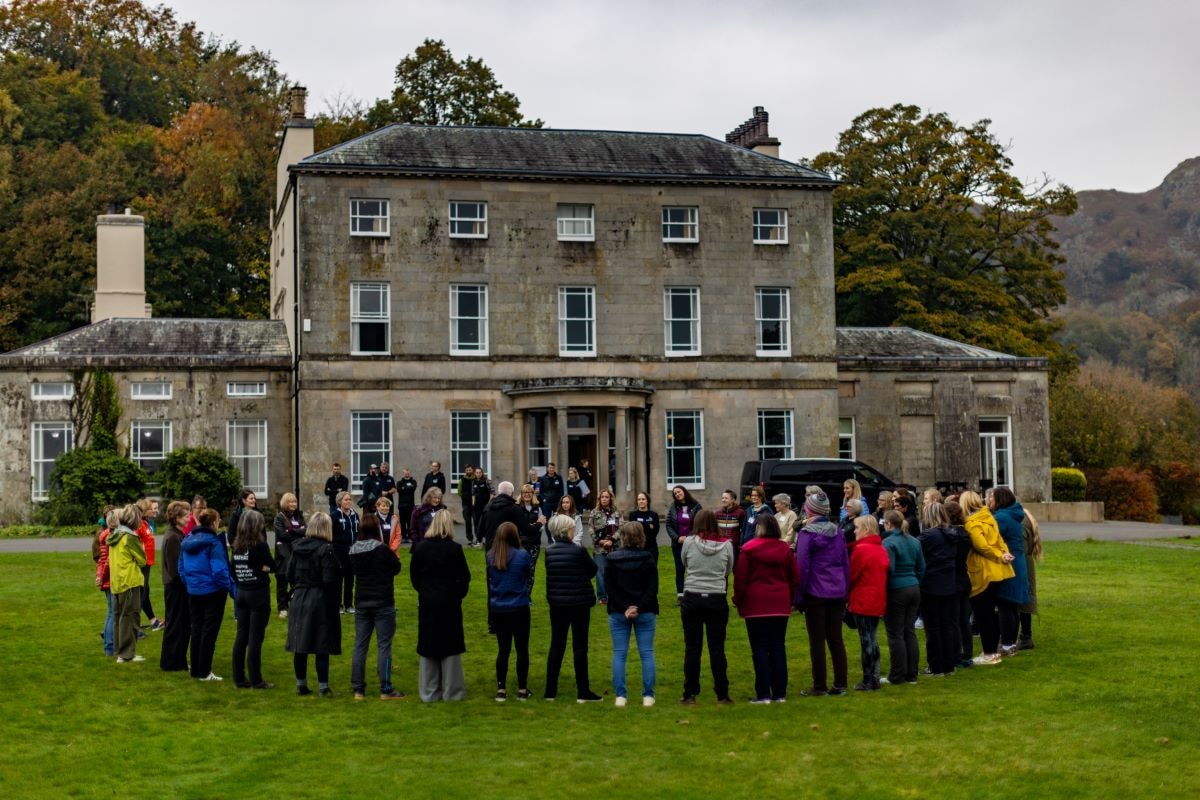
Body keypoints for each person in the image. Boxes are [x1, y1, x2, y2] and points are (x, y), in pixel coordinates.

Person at [733, 514, 797, 703]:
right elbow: (794, 577)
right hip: (779, 602)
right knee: (778, 646)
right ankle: (779, 692)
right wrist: (790, 598)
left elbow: (741, 579)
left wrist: (738, 600)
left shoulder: (749, 550)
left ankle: (763, 693)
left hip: (756, 604)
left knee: (759, 648)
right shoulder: (784, 550)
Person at [410, 509, 470, 702]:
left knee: (429, 644)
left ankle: (429, 691)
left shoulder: (420, 548)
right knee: (450, 646)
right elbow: (464, 577)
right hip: (449, 602)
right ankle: (452, 692)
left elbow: (414, 577)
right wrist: (457, 594)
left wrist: (424, 591)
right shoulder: (454, 549)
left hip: (429, 602)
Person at [794, 491, 850, 697]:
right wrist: (846, 591)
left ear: (809, 510)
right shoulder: (838, 532)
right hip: (836, 591)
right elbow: (845, 563)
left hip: (815, 592)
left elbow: (802, 566)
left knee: (817, 640)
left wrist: (799, 596)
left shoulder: (807, 534)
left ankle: (820, 685)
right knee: (835, 638)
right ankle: (840, 683)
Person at [542, 514, 601, 702]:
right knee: (580, 646)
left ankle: (550, 690)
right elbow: (593, 570)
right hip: (579, 603)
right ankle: (583, 690)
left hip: (558, 603)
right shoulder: (578, 551)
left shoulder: (549, 551)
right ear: (566, 530)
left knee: (556, 645)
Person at [680, 509, 734, 705]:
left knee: (692, 648)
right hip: (716, 597)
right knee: (717, 648)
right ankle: (722, 693)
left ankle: (689, 693)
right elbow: (728, 570)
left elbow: (684, 562)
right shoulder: (727, 545)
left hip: (693, 595)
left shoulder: (689, 542)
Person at [349, 508, 404, 700]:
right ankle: (385, 688)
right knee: (384, 645)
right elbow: (396, 568)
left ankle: (358, 689)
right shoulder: (381, 550)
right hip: (382, 601)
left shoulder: (354, 549)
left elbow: (352, 570)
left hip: (362, 600)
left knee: (360, 645)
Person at [286, 511, 342, 696]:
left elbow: (289, 574)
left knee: (300, 643)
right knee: (321, 643)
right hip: (319, 597)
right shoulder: (326, 550)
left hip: (300, 595)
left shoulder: (297, 547)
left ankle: (300, 684)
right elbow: (329, 580)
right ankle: (323, 687)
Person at [605, 521, 659, 707]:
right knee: (647, 653)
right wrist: (638, 606)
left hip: (619, 611)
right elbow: (653, 589)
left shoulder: (612, 559)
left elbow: (609, 589)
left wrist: (625, 607)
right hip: (644, 610)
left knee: (620, 653)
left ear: (623, 537)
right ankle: (648, 696)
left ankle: (621, 696)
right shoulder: (648, 558)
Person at [178, 507, 234, 681]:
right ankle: (204, 671)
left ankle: (196, 669)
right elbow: (219, 570)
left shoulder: (187, 539)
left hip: (194, 591)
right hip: (212, 591)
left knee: (197, 629)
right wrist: (230, 589)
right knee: (209, 632)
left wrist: (190, 584)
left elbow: (181, 567)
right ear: (214, 522)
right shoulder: (214, 542)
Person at [961, 490, 1015, 665]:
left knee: (983, 614)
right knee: (990, 613)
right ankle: (993, 652)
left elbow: (981, 546)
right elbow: (999, 540)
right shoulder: (989, 517)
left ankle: (989, 652)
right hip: (997, 571)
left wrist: (1000, 555)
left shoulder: (972, 523)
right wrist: (1004, 553)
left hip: (983, 572)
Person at [487, 522, 533, 701]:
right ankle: (522, 688)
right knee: (522, 649)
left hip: (499, 607)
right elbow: (527, 574)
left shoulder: (491, 556)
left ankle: (501, 688)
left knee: (503, 649)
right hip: (519, 606)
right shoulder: (522, 555)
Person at [231, 508, 275, 689]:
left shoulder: (237, 545)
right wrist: (262, 569)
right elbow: (271, 565)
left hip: (241, 592)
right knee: (255, 638)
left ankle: (239, 678)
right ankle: (256, 680)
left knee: (241, 636)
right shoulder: (260, 545)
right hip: (257, 593)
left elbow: (233, 570)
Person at [917, 502, 962, 677]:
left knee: (933, 628)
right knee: (947, 625)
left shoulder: (927, 536)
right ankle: (949, 664)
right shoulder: (952, 534)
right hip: (949, 583)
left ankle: (936, 666)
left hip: (931, 585)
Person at [881, 509, 925, 685]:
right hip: (913, 587)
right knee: (909, 631)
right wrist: (914, 581)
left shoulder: (888, 542)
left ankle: (897, 674)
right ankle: (911, 674)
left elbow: (889, 570)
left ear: (889, 524)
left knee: (895, 634)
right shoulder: (914, 541)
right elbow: (922, 567)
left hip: (897, 589)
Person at [848, 515, 888, 691]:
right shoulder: (879, 548)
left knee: (866, 641)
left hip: (863, 598)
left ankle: (868, 679)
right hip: (877, 597)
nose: (854, 531)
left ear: (865, 529)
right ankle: (875, 677)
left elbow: (852, 576)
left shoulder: (862, 549)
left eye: (857, 528)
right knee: (873, 639)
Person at [989, 486, 1031, 657]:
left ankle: (1007, 644)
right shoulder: (1014, 514)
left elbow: (989, 537)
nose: (989, 501)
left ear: (999, 500)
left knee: (1005, 604)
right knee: (1012, 606)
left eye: (991, 498)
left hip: (1008, 562)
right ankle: (1011, 643)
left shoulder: (1002, 518)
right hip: (1017, 562)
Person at [109, 505, 147, 663]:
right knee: (130, 618)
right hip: (130, 582)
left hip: (116, 582)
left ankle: (120, 651)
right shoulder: (130, 537)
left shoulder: (114, 535)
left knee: (119, 618)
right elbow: (142, 560)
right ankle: (127, 654)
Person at [158, 501, 191, 671]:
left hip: (176, 586)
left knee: (181, 624)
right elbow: (174, 568)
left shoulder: (176, 534)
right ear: (177, 518)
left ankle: (177, 659)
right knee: (176, 624)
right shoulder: (173, 537)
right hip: (175, 587)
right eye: (185, 515)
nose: (188, 518)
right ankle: (171, 661)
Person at [945, 499, 976, 668]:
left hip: (954, 579)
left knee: (955, 620)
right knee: (964, 619)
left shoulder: (952, 535)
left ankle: (957, 654)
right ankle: (967, 653)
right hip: (964, 578)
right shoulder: (965, 533)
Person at [666, 485, 701, 602]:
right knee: (679, 569)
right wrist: (677, 538)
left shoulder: (696, 506)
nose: (677, 494)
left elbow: (699, 524)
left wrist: (688, 537)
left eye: (679, 491)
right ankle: (680, 595)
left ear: (684, 491)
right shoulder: (673, 508)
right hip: (678, 545)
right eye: (675, 493)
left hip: (693, 543)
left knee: (693, 569)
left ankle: (693, 593)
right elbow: (668, 525)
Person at [273, 492, 306, 619]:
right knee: (282, 581)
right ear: (285, 503)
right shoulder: (279, 517)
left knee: (297, 579)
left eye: (295, 502)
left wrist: (291, 531)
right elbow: (281, 535)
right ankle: (282, 607)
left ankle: (289, 601)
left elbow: (305, 530)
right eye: (290, 502)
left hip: (297, 551)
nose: (293, 504)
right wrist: (297, 533)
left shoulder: (299, 515)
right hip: (283, 554)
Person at [588, 489, 622, 605]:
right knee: (600, 572)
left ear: (610, 498)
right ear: (599, 499)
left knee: (615, 572)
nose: (604, 499)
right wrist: (599, 541)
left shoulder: (616, 512)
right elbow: (590, 528)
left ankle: (615, 594)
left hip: (614, 546)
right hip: (599, 548)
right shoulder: (594, 512)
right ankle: (602, 596)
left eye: (606, 497)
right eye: (602, 497)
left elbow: (621, 528)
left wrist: (612, 540)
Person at [135, 498, 164, 631]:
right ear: (144, 510)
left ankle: (153, 621)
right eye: (152, 508)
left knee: (145, 592)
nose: (155, 510)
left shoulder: (146, 523)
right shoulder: (139, 524)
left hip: (147, 563)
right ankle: (135, 627)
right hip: (142, 563)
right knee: (141, 593)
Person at [1018, 506, 1043, 650]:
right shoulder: (1025, 517)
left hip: (1022, 563)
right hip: (1025, 562)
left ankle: (1026, 636)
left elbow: (1021, 545)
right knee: (1025, 598)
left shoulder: (1021, 520)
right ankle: (1025, 635)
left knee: (1024, 600)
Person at [331, 490, 359, 613]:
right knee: (338, 579)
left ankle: (349, 604)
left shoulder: (355, 515)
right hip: (339, 551)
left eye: (349, 499)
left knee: (350, 579)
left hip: (353, 551)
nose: (348, 501)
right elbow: (331, 534)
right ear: (339, 502)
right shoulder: (334, 515)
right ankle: (338, 605)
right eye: (346, 499)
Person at [93, 508, 116, 658]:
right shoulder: (110, 536)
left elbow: (101, 561)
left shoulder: (103, 535)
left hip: (106, 578)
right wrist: (102, 576)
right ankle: (109, 647)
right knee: (113, 613)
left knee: (111, 612)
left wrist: (99, 576)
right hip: (110, 579)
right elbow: (107, 561)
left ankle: (110, 646)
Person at [517, 483, 547, 593]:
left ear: (532, 494)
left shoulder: (537, 508)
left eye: (529, 492)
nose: (527, 494)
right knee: (520, 569)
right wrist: (534, 525)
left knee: (531, 570)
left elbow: (542, 526)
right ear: (521, 494)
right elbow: (519, 527)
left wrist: (530, 527)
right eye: (525, 492)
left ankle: (527, 595)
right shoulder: (517, 508)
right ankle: (520, 593)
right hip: (520, 544)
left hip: (534, 544)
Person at [627, 491, 661, 558]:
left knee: (652, 568)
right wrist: (649, 526)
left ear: (647, 501)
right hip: (637, 547)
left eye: (643, 499)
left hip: (651, 547)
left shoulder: (654, 515)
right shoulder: (633, 515)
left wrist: (639, 525)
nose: (641, 501)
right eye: (639, 499)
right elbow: (634, 531)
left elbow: (655, 531)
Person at [714, 490, 745, 555]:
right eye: (722, 498)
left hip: (734, 546)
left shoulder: (740, 513)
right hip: (721, 545)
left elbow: (743, 530)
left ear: (733, 500)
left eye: (726, 498)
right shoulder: (717, 513)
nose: (723, 500)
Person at [395, 467, 418, 544]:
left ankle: (409, 537)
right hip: (402, 506)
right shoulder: (399, 482)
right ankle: (403, 537)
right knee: (402, 522)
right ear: (403, 473)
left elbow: (412, 489)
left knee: (410, 522)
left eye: (408, 473)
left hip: (410, 506)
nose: (406, 474)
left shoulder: (413, 481)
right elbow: (399, 490)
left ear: (409, 473)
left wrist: (404, 488)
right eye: (405, 473)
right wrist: (406, 488)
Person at [471, 467, 494, 539]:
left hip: (485, 505)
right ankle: (478, 539)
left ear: (482, 473)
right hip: (477, 505)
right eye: (477, 472)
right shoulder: (473, 481)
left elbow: (493, 492)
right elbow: (473, 494)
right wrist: (473, 503)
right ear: (475, 473)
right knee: (476, 522)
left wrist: (489, 503)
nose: (478, 474)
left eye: (479, 472)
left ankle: (486, 538)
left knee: (484, 522)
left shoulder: (487, 481)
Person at [457, 463, 476, 546]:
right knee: (467, 521)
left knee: (476, 521)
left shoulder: (476, 479)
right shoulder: (462, 480)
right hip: (466, 504)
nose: (469, 471)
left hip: (475, 504)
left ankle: (478, 538)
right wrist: (465, 497)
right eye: (467, 470)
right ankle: (470, 538)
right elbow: (459, 492)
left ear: (472, 470)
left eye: (470, 470)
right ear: (465, 471)